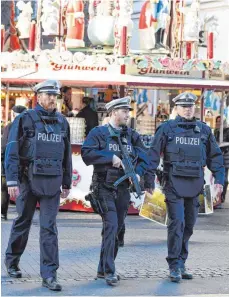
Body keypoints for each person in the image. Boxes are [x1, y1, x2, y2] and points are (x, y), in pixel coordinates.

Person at [145, 92, 224, 283]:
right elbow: (153, 155)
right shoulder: (166, 129)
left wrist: (220, 179)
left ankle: (181, 261)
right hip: (173, 183)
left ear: (195, 108)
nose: (188, 109)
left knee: (189, 225)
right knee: (177, 223)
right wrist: (147, 181)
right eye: (184, 106)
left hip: (195, 184)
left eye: (191, 106)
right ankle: (174, 265)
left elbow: (215, 157)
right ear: (177, 108)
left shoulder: (204, 130)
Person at [4, 80, 72, 291]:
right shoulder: (25, 119)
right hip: (27, 181)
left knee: (49, 228)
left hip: (52, 181)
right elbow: (11, 150)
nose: (52, 99)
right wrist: (12, 180)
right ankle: (12, 261)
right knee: (23, 222)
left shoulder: (62, 122)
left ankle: (49, 274)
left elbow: (66, 155)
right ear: (38, 97)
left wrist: (67, 182)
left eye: (55, 95)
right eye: (48, 95)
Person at [81, 97, 148, 286]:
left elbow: (145, 158)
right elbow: (87, 153)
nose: (128, 114)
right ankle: (110, 271)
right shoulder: (99, 133)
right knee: (111, 226)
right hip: (103, 187)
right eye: (124, 111)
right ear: (113, 113)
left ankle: (103, 269)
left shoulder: (131, 135)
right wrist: (110, 157)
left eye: (128, 111)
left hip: (123, 188)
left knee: (117, 229)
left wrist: (137, 173)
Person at [1, 105, 27, 220]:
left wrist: (2, 162)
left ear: (13, 114)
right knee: (21, 190)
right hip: (23, 164)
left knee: (5, 188)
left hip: (11, 162)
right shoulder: (28, 126)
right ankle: (22, 213)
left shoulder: (10, 126)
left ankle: (3, 212)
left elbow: (4, 146)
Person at [214, 116, 229, 206]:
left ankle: (222, 196)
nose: (219, 123)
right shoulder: (216, 131)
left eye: (220, 121)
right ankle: (217, 196)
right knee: (218, 177)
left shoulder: (227, 130)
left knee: (225, 178)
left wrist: (222, 144)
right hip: (217, 156)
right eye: (218, 121)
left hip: (226, 156)